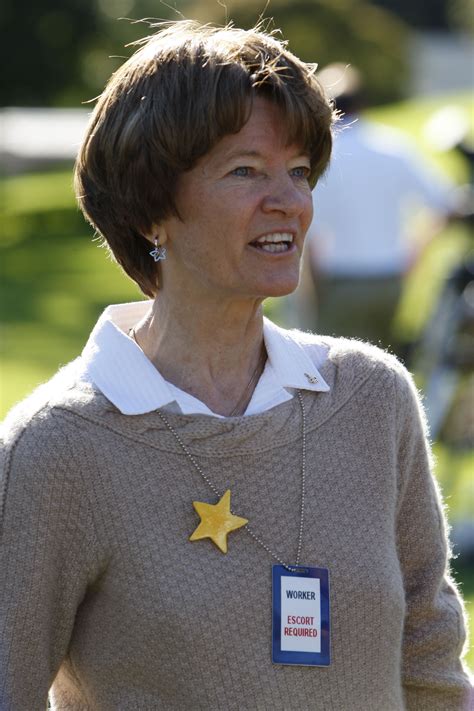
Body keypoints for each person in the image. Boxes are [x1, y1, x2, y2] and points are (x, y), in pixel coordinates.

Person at [0, 21, 471, 710]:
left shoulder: (374, 398)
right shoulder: (57, 447)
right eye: (245, 170)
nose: (289, 200)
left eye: (300, 171)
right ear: (152, 210)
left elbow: (433, 671)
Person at [304, 63, 457, 350]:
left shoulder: (323, 156)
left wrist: (313, 295)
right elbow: (445, 203)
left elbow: (311, 234)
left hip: (340, 281)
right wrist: (414, 252)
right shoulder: (393, 147)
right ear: (364, 103)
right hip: (389, 279)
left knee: (333, 374)